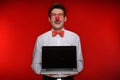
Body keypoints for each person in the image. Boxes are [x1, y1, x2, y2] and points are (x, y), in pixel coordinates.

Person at [31, 3, 84, 80]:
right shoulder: (41, 39)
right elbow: (35, 63)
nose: (57, 18)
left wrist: (74, 71)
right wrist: (43, 71)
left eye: (60, 15)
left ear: (65, 18)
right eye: (53, 15)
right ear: (49, 19)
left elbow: (79, 61)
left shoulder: (75, 37)